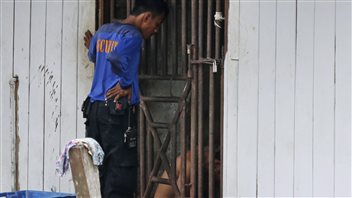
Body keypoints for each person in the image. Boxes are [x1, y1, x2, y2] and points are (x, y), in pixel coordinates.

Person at [82, 1, 169, 197]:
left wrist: (94, 46)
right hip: (115, 111)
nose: (155, 30)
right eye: (156, 24)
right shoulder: (134, 35)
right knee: (119, 172)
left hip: (94, 109)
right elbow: (116, 57)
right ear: (145, 17)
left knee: (97, 167)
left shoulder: (104, 30)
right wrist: (126, 82)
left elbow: (93, 54)